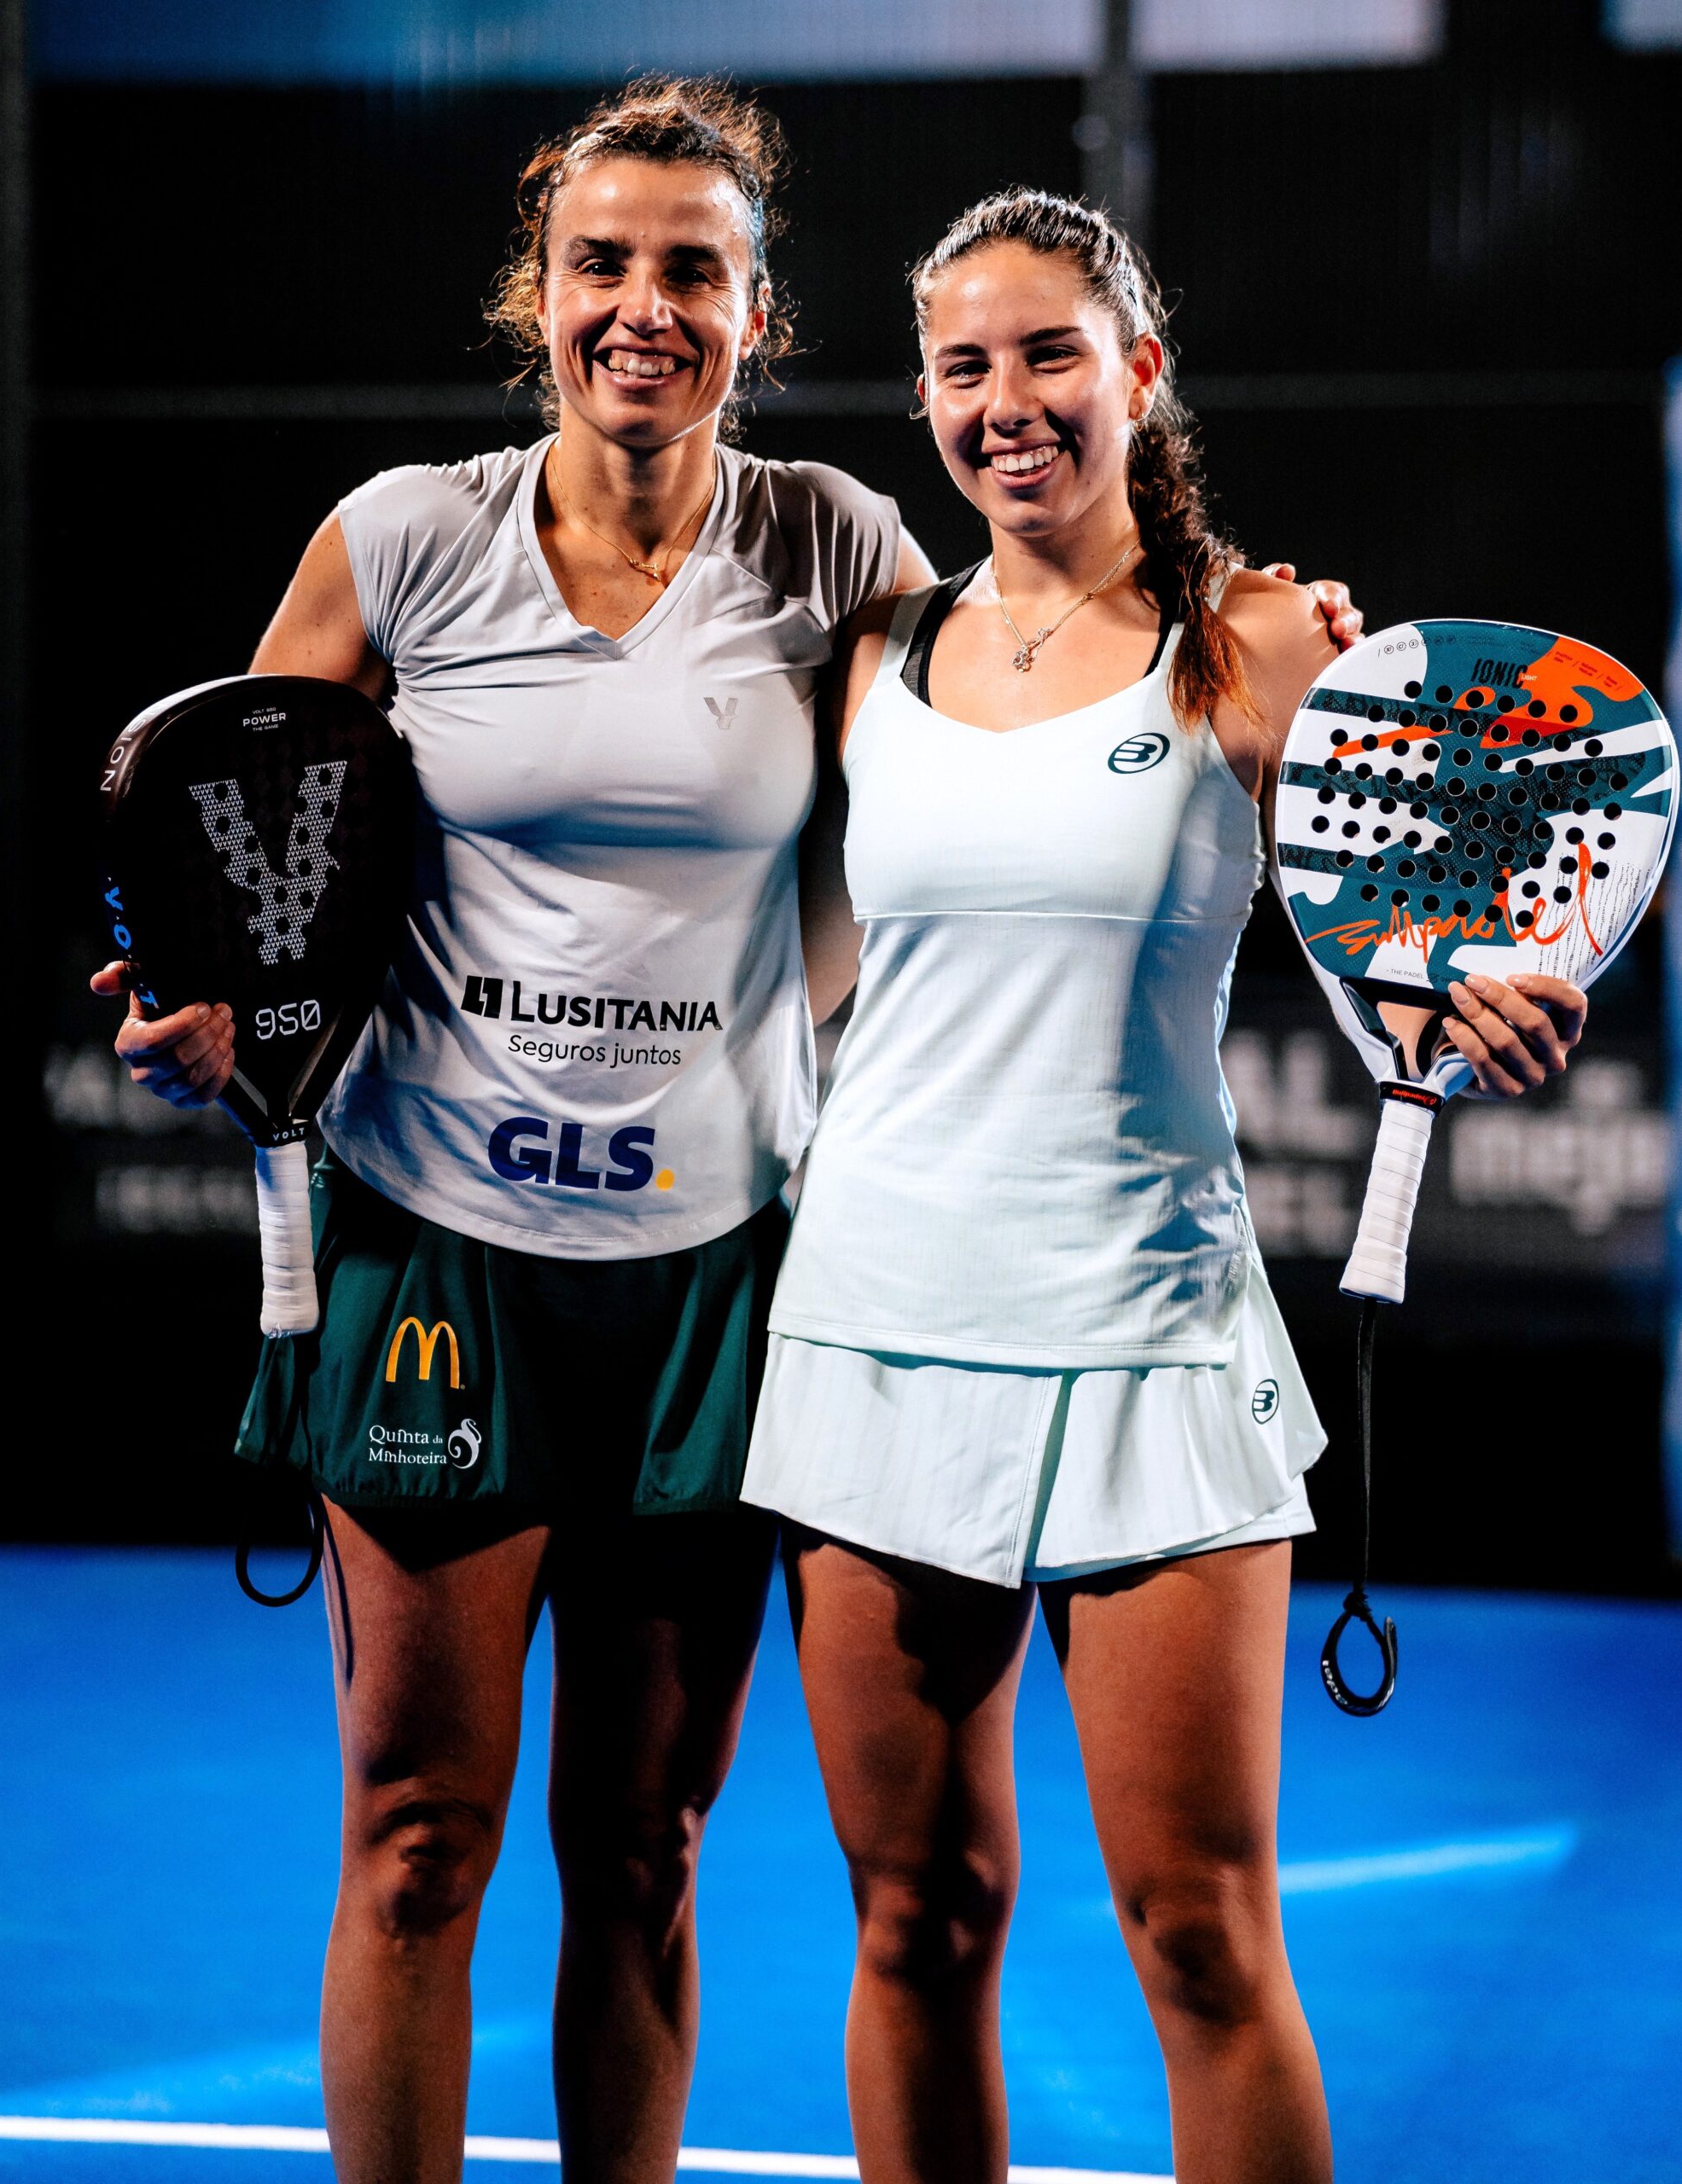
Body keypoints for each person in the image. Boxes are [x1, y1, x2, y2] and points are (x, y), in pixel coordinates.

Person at [90, 84, 1359, 2184]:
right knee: (415, 1839)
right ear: (538, 290)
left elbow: (1065, 739)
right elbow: (246, 858)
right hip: (443, 1246)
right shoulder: (402, 538)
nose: (643, 305)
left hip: (721, 1273)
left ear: (756, 314)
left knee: (646, 1843)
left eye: (694, 269)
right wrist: (209, 1020)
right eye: (600, 262)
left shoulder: (845, 557)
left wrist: (1280, 657)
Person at [742, 189, 1585, 2184]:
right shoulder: (868, 655)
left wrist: (1472, 997)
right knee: (913, 1916)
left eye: (1049, 354)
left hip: (1149, 1338)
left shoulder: (1259, 638)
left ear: (1137, 369)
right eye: (962, 367)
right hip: (870, 1328)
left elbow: (1412, 922)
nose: (1006, 402)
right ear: (925, 399)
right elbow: (790, 972)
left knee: (1200, 1933)